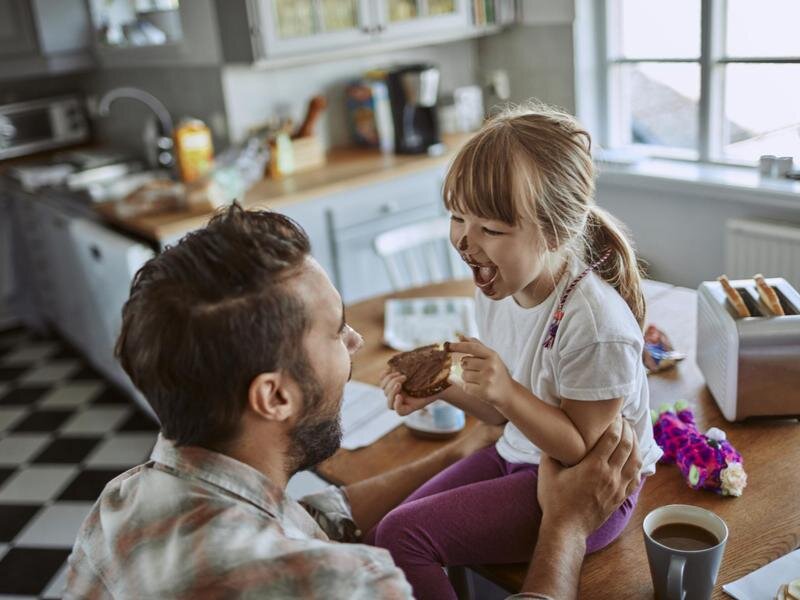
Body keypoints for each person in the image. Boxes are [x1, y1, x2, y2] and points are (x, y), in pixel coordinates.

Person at [63, 205, 640, 599]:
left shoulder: (125, 502)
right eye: (337, 331)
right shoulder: (345, 585)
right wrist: (564, 527)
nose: (356, 342)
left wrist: (458, 453)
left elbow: (304, 524)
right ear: (275, 396)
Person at [376, 101, 663, 600]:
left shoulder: (595, 326)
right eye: (457, 217)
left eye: (491, 229)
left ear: (555, 232)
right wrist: (444, 390)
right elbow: (503, 412)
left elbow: (577, 446)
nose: (465, 241)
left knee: (403, 539)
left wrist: (506, 391)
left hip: (583, 490)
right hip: (518, 454)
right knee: (391, 529)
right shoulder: (500, 288)